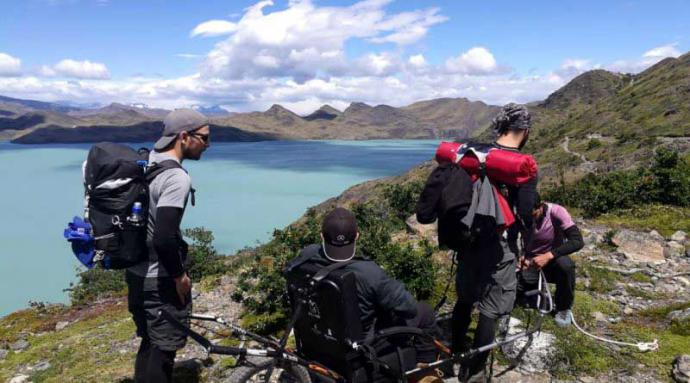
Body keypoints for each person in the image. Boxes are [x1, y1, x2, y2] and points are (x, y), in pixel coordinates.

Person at [285, 207, 440, 364]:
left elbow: (290, 275)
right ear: (357, 236)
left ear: (321, 236)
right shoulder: (369, 272)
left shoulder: (305, 257)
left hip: (317, 342)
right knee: (425, 311)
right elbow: (409, 308)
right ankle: (425, 370)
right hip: (358, 350)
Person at [451, 104, 538, 382]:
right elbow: (525, 214)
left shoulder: (475, 154)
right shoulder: (522, 166)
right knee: (490, 308)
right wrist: (529, 248)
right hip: (500, 245)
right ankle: (474, 371)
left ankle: (454, 348)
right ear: (524, 131)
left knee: (465, 298)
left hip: (468, 239)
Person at [126, 108, 210, 383]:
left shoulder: (147, 162)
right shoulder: (176, 177)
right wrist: (180, 276)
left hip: (136, 274)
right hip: (160, 279)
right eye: (204, 138)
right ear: (184, 136)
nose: (208, 145)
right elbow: (164, 236)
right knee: (164, 351)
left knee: (150, 342)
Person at [518, 194, 584, 327]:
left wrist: (548, 256)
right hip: (531, 263)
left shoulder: (557, 212)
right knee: (514, 289)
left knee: (566, 266)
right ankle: (533, 291)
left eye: (533, 215)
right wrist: (518, 257)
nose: (530, 220)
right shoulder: (519, 214)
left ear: (541, 207)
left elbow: (577, 241)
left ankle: (563, 308)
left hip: (552, 260)